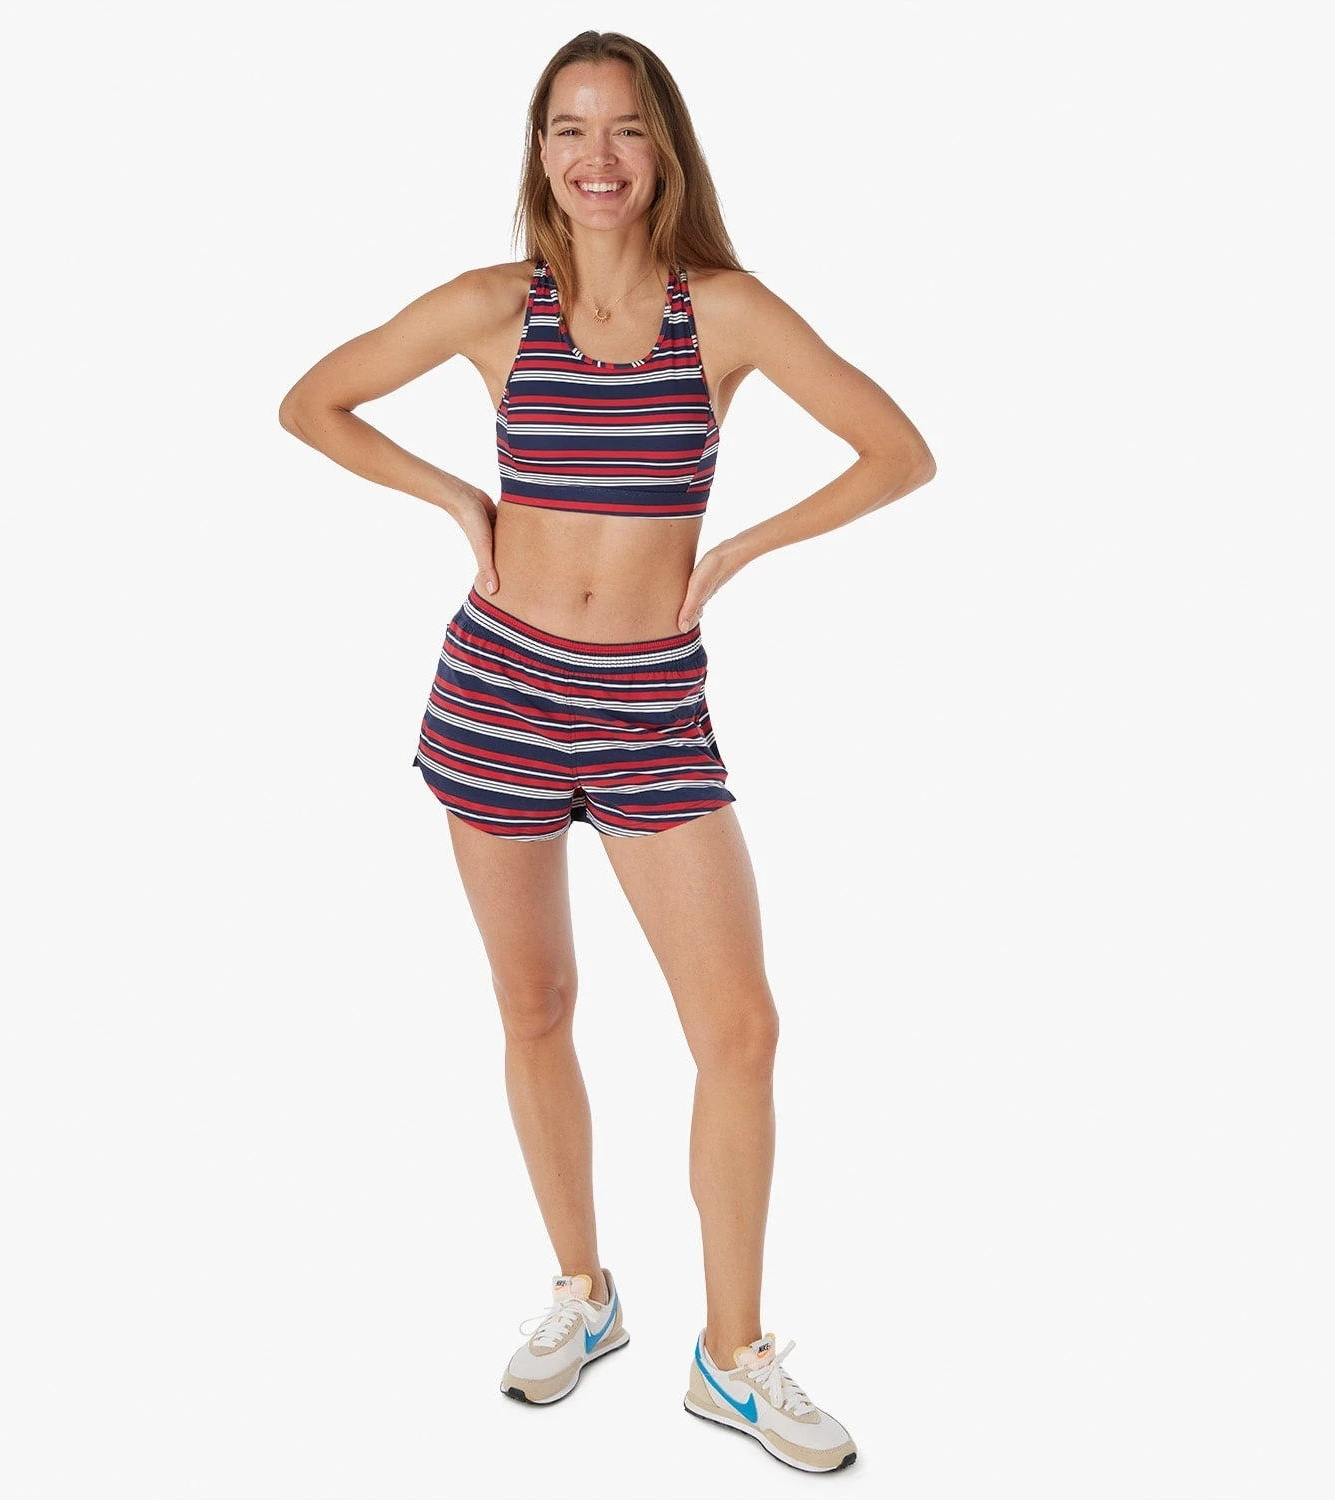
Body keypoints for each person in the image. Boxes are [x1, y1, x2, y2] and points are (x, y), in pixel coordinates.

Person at [278, 29, 935, 1475]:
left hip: (651, 709)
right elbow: (311, 403)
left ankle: (731, 1357)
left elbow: (899, 452)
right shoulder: (491, 307)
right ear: (540, 152)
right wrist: (458, 498)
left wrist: (743, 548)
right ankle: (584, 1291)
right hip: (497, 693)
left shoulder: (726, 314)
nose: (597, 157)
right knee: (537, 1006)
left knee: (740, 1029)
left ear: (664, 149)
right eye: (570, 129)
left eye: (625, 129)